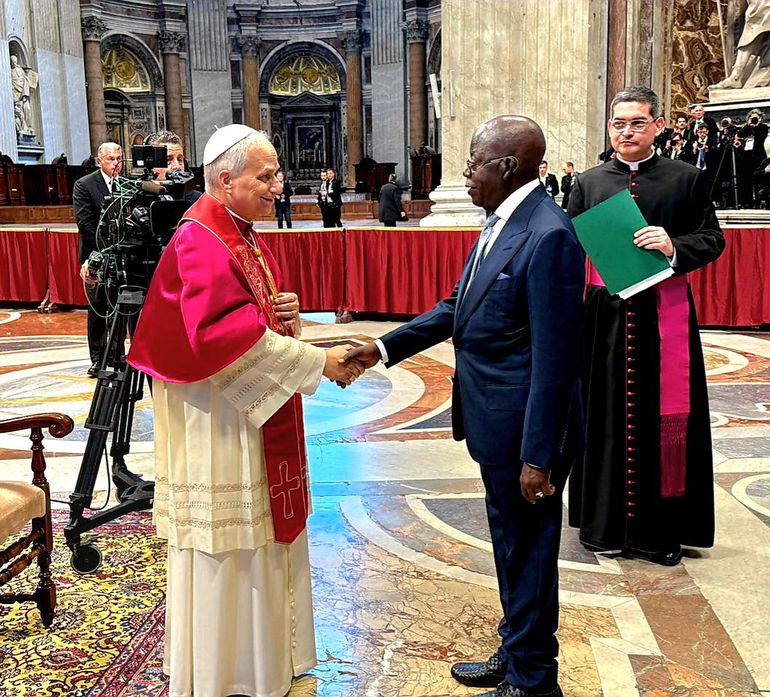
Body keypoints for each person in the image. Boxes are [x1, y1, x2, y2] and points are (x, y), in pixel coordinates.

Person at [342, 115, 585, 697]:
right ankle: (516, 647)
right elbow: (459, 306)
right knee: (510, 543)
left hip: (523, 436)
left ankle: (534, 681)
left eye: (474, 163)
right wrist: (381, 348)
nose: (467, 174)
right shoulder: (503, 221)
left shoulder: (548, 235)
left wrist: (540, 456)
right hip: (494, 426)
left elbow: (556, 362)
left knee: (528, 550)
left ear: (504, 167)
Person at [126, 124, 363, 697]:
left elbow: (248, 319)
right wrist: (317, 360)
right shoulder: (201, 239)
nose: (279, 186)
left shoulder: (238, 231)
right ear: (225, 180)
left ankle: (264, 659)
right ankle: (228, 669)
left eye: (277, 173)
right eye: (266, 175)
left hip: (241, 412)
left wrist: (285, 315)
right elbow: (217, 337)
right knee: (231, 541)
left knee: (258, 534)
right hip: (218, 416)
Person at [567, 86, 725, 566]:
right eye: (619, 123)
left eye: (637, 122)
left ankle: (662, 531)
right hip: (606, 319)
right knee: (604, 416)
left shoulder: (686, 178)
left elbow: (713, 240)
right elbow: (570, 249)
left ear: (657, 125)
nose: (627, 131)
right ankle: (603, 526)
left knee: (665, 420)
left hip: (665, 318)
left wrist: (673, 246)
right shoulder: (589, 183)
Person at [72, 142, 124, 377]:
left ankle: (117, 354)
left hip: (122, 257)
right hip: (96, 257)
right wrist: (105, 249)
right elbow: (85, 223)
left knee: (119, 307)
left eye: (119, 158)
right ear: (100, 161)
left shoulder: (126, 184)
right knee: (98, 308)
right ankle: (98, 358)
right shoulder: (84, 185)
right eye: (111, 159)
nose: (116, 163)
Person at [144, 129, 202, 205]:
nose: (177, 166)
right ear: (150, 167)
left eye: (180, 159)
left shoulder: (197, 200)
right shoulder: (141, 199)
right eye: (168, 160)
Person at [734, 108, 769, 206]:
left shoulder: (763, 127)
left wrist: (756, 126)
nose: (753, 119)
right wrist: (748, 125)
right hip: (746, 156)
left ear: (761, 118)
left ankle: (758, 201)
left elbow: (761, 137)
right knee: (746, 179)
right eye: (751, 117)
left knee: (758, 179)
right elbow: (739, 135)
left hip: (758, 156)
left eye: (756, 117)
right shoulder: (747, 128)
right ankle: (747, 201)